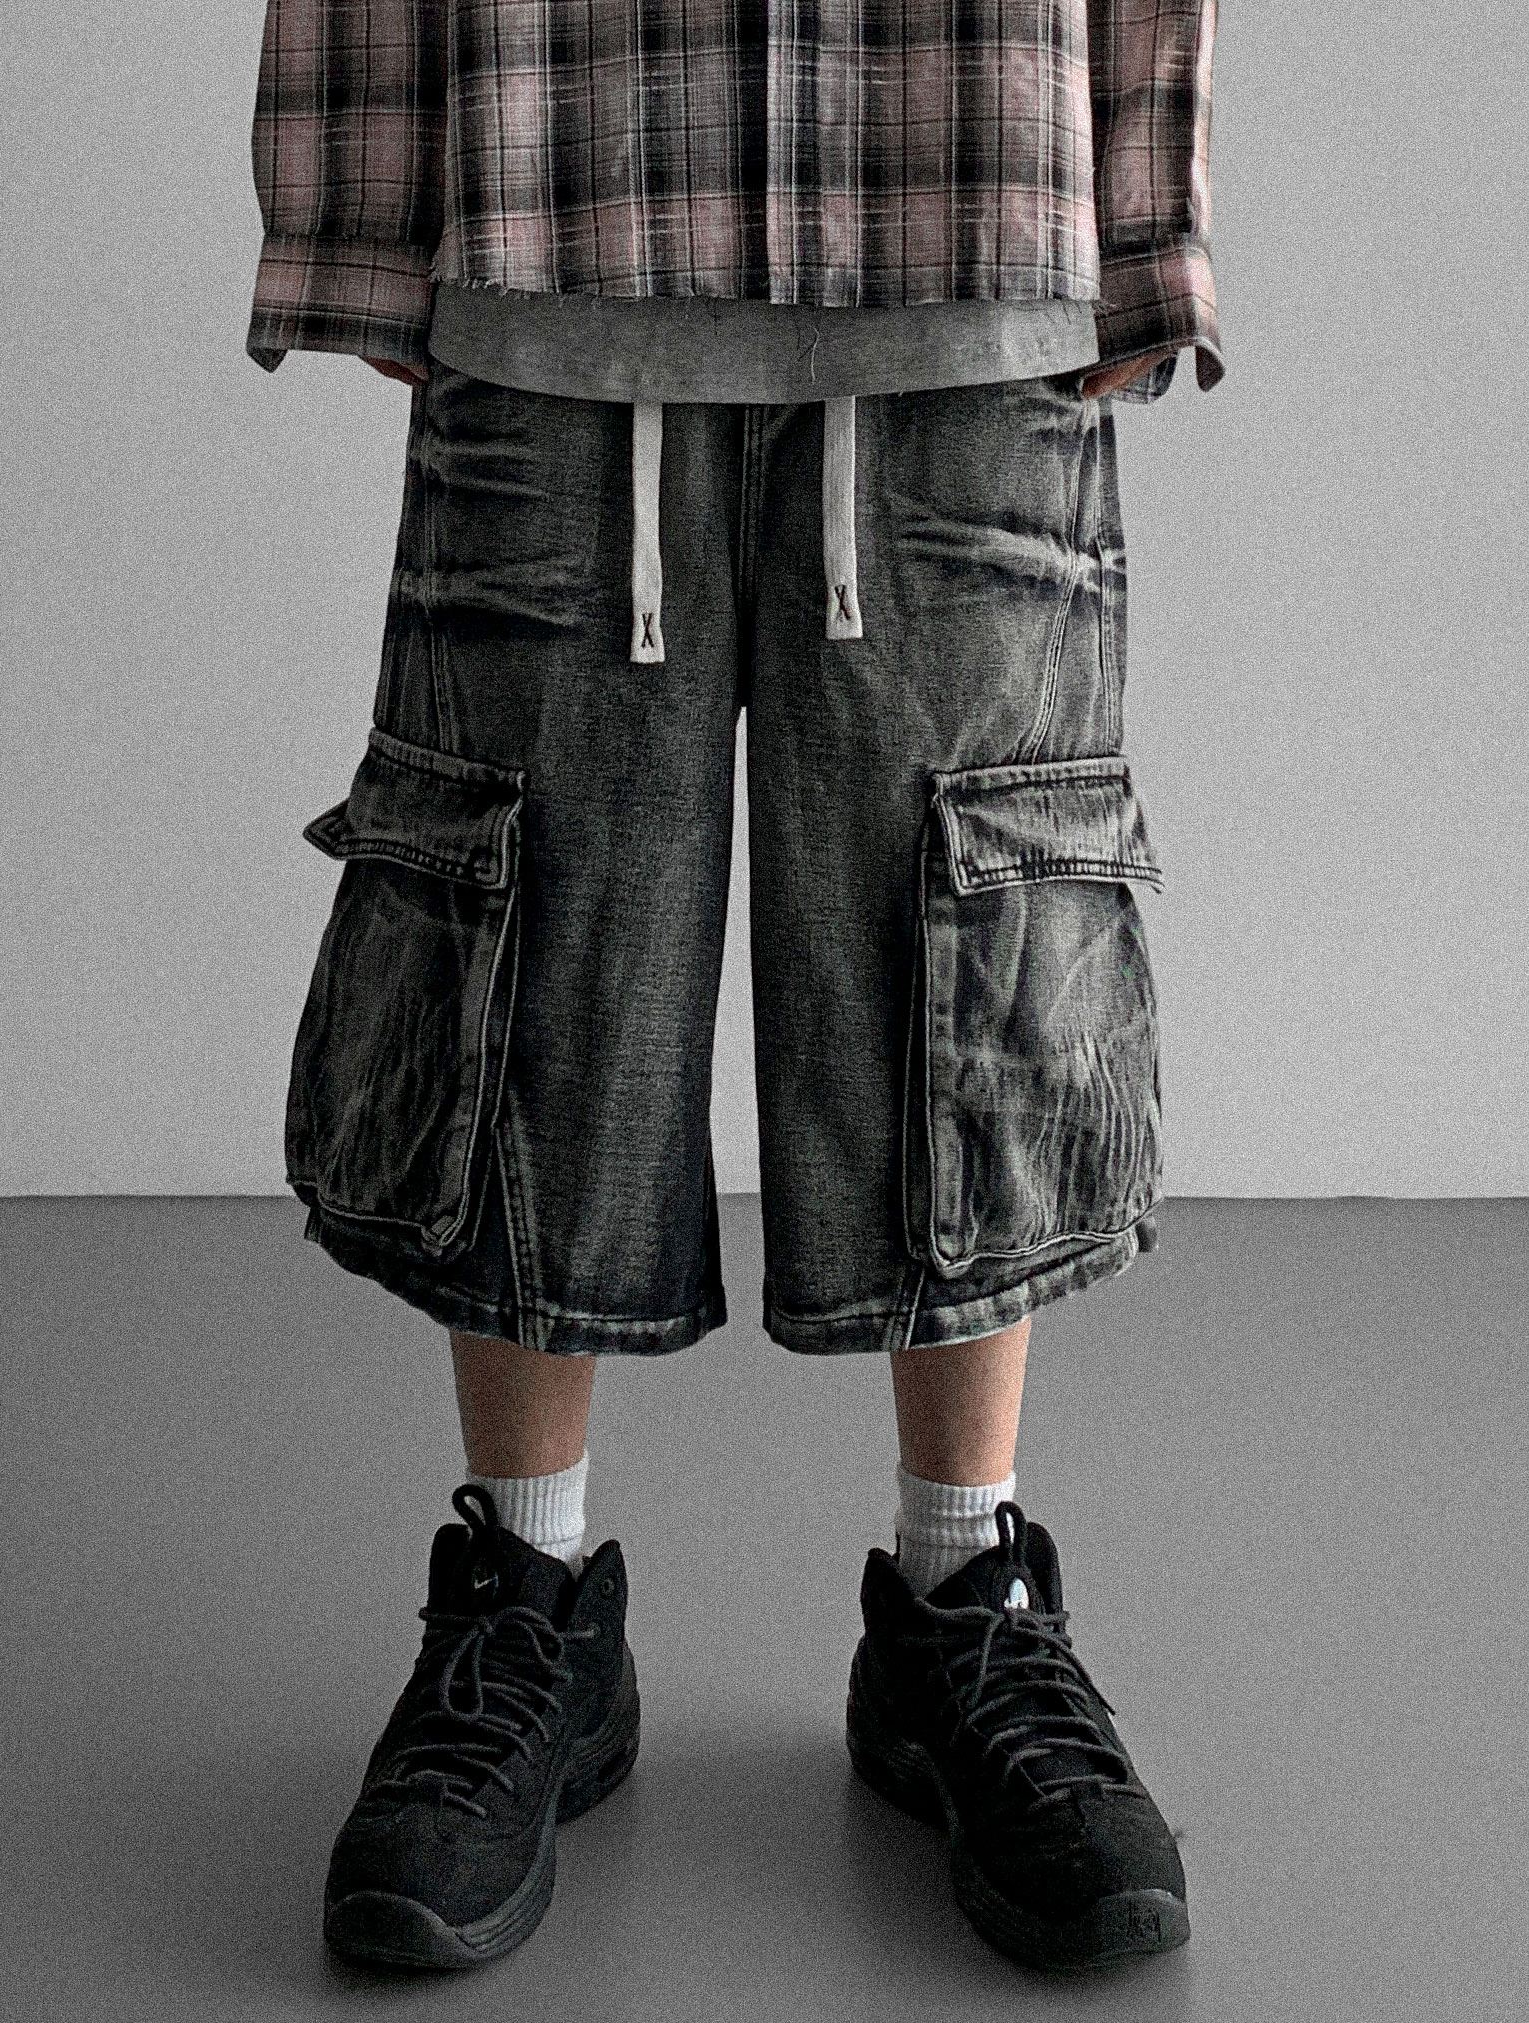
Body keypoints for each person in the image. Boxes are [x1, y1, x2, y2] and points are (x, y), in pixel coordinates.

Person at [247, 0, 1223, 1978]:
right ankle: (526, 1596)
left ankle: (960, 1598)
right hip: (560, 203)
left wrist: (1142, 221)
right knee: (531, 932)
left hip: (967, 211)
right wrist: (355, 220)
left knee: (972, 933)